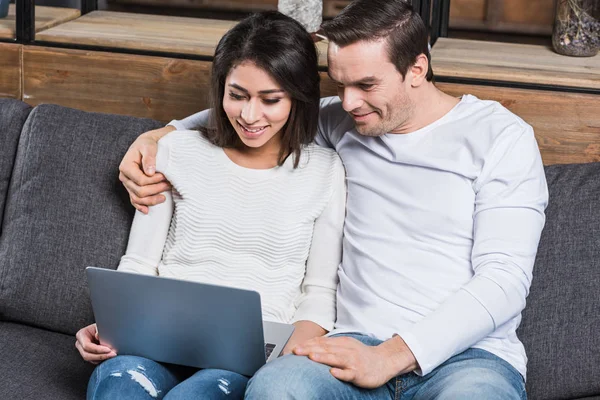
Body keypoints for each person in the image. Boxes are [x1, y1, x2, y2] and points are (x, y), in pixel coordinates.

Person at [119, 1, 549, 399]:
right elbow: (259, 111)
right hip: (347, 343)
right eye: (339, 84)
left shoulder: (500, 137)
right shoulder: (345, 122)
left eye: (365, 84)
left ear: (417, 68)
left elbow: (505, 281)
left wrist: (392, 356)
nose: (348, 102)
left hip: (467, 358)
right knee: (276, 389)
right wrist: (161, 135)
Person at [75, 11, 346, 400]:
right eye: (237, 96)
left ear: (299, 97)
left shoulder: (325, 171)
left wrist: (285, 358)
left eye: (270, 100)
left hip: (244, 360)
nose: (250, 116)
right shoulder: (173, 150)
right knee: (120, 385)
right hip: (153, 341)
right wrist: (107, 327)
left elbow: (319, 295)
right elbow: (137, 266)